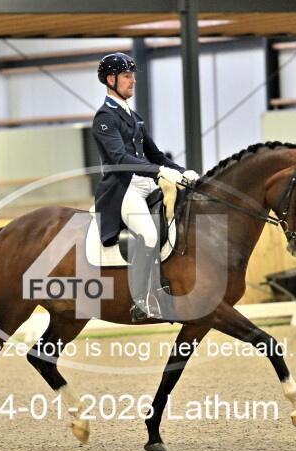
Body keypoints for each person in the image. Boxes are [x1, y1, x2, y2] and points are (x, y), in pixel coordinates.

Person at [91, 52, 199, 322]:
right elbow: (119, 159)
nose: (133, 81)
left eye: (133, 76)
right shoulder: (105, 117)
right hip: (123, 189)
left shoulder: (134, 117)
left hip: (146, 184)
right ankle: (140, 300)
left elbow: (156, 155)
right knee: (149, 235)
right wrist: (160, 172)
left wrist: (182, 172)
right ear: (111, 80)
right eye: (127, 76)